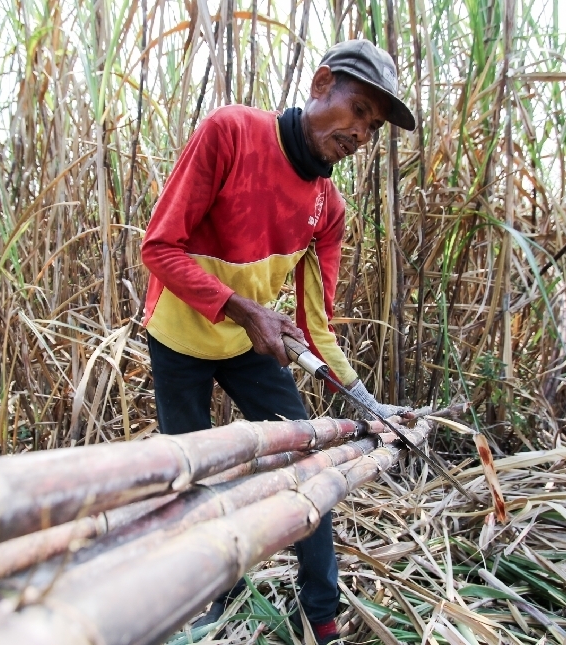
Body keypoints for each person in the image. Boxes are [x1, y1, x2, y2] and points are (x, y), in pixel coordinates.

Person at [140, 39, 416, 644]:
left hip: (250, 346)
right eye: (360, 110)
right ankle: (217, 600)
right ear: (322, 84)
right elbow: (158, 249)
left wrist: (372, 406)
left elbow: (318, 329)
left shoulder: (327, 207)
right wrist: (244, 310)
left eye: (374, 126)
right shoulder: (230, 132)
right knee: (192, 480)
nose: (364, 134)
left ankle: (321, 615)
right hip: (181, 335)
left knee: (308, 463)